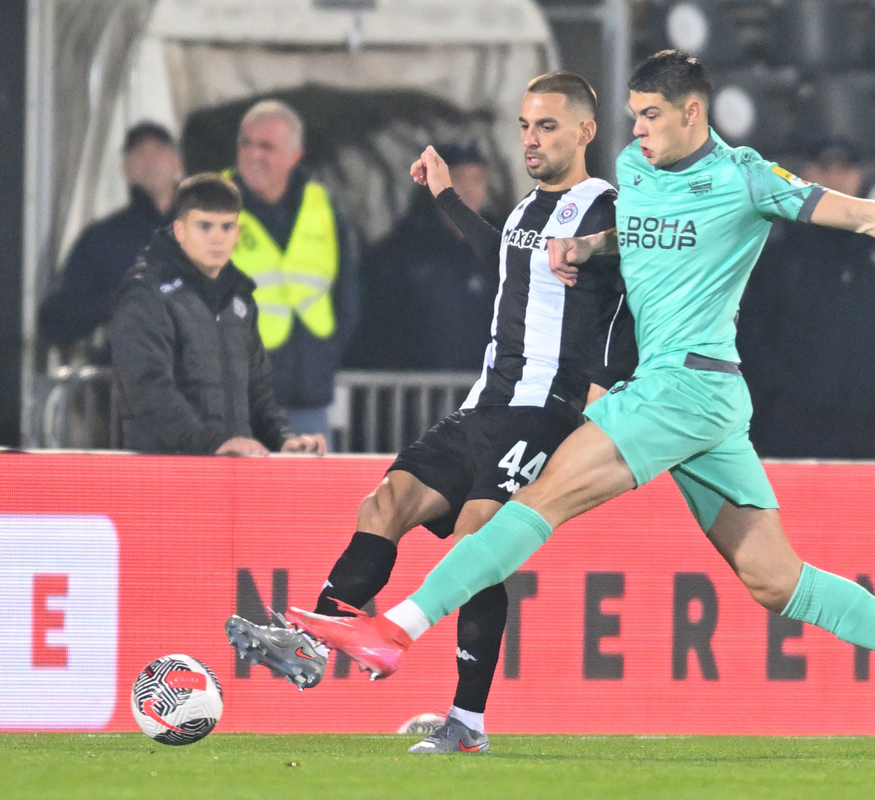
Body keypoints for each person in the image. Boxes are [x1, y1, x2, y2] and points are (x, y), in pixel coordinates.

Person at [277, 51, 875, 759]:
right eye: (633, 115)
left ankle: (392, 633)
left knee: (530, 505)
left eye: (648, 115)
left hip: (682, 387)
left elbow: (867, 215)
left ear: (693, 116)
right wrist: (588, 248)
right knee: (777, 580)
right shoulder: (633, 171)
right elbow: (641, 236)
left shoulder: (746, 179)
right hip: (702, 401)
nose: (634, 128)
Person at [224, 71, 635, 753]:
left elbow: (655, 252)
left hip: (546, 410)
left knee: (480, 541)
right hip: (484, 405)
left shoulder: (603, 206)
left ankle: (467, 725)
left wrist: (593, 250)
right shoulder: (530, 209)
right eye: (526, 127)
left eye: (549, 127)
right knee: (386, 502)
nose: (531, 140)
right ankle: (311, 644)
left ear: (586, 131)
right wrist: (443, 193)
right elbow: (499, 255)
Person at [108, 173, 327, 457]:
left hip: (229, 474)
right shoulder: (146, 293)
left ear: (238, 233)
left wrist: (284, 440)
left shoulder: (239, 295)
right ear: (179, 230)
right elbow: (147, 388)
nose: (217, 238)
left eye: (227, 227)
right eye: (204, 226)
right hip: (165, 476)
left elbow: (257, 393)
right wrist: (212, 444)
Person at [738, 138, 875, 459]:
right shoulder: (781, 254)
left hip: (873, 431)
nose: (835, 181)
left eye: (845, 171)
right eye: (825, 171)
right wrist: (779, 396)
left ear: (859, 178)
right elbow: (751, 336)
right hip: (793, 431)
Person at [227, 100, 360, 440]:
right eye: (246, 143)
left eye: (267, 146)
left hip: (307, 404)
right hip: (234, 405)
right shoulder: (213, 203)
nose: (254, 154)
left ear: (295, 155)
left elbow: (347, 295)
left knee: (310, 495)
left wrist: (324, 355)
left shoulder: (323, 206)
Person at [39, 122, 183, 358]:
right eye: (139, 153)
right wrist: (115, 303)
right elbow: (55, 322)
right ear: (126, 169)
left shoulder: (211, 234)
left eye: (158, 150)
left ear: (178, 162)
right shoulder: (101, 240)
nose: (150, 160)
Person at [358, 142, 499, 370]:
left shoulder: (503, 249)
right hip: (415, 397)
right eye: (457, 179)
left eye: (477, 179)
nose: (469, 189)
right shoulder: (401, 252)